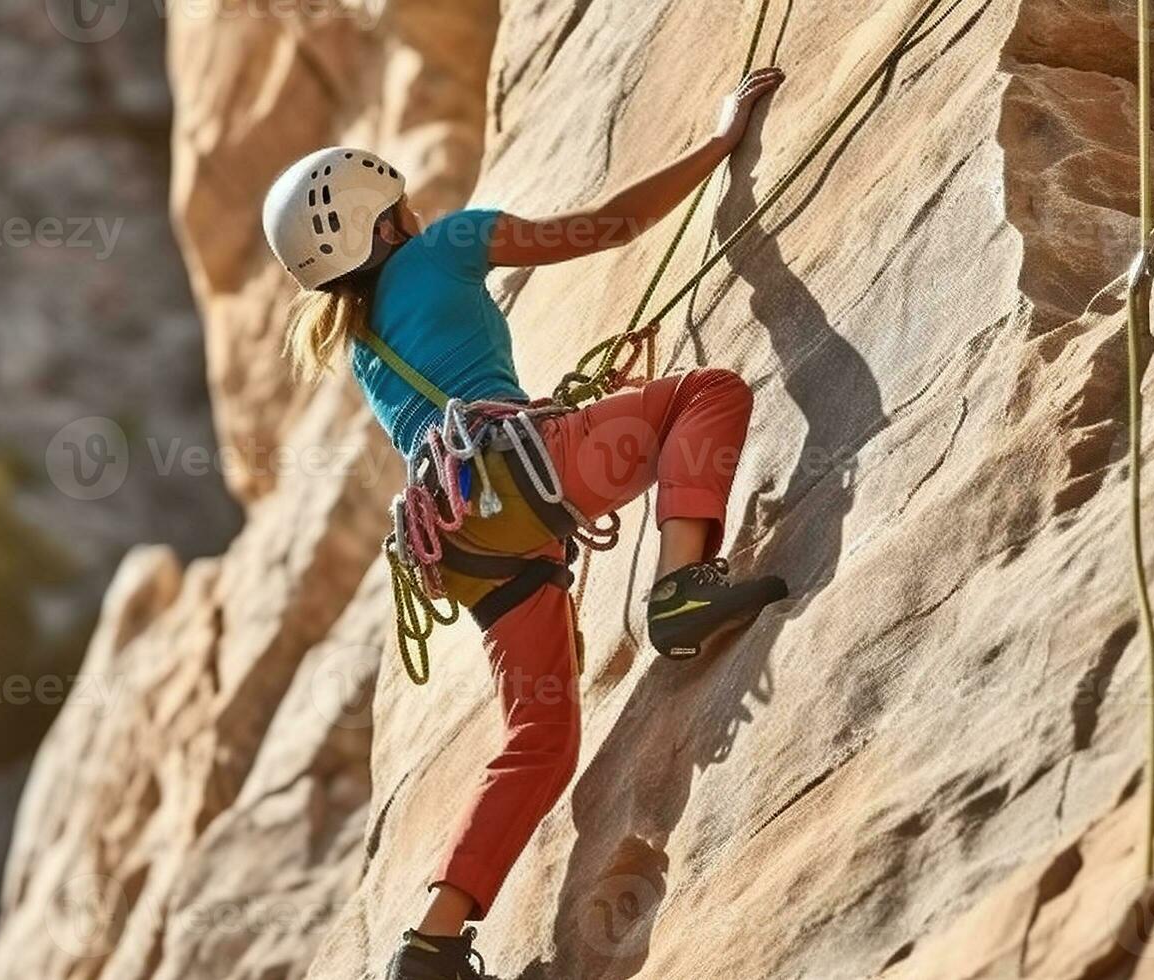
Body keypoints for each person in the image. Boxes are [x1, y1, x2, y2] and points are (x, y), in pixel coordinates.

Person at [262, 68, 788, 980]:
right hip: (523, 476)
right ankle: (679, 589)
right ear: (384, 218)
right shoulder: (450, 245)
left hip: (464, 542)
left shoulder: (356, 339)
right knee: (705, 394)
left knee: (538, 742)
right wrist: (717, 138)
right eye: (401, 204)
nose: (416, 213)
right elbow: (607, 226)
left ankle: (430, 945)